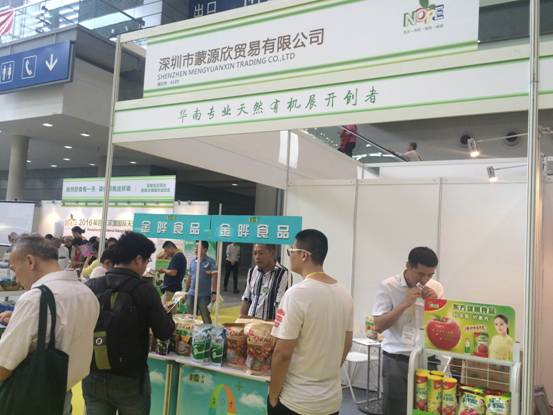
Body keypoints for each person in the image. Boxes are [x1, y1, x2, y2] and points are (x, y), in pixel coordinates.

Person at [0, 234, 99, 415]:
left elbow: (4, 366)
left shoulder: (35, 299)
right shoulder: (87, 294)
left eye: (14, 270)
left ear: (30, 262)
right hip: (62, 396)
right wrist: (18, 318)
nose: (16, 278)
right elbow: (62, 329)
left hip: (28, 398)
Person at [84, 231, 175, 415]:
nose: (146, 265)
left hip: (92, 373)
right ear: (138, 259)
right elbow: (164, 332)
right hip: (130, 378)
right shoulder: (145, 290)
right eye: (147, 260)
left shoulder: (92, 286)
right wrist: (168, 315)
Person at [269, 229, 353, 415]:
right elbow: (347, 344)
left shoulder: (296, 294)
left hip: (297, 401)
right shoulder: (344, 294)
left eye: (291, 251)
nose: (289, 256)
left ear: (304, 255)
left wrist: (273, 395)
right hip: (331, 401)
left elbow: (282, 353)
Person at [373, 247, 444, 415]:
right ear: (408, 266)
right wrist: (404, 303)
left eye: (430, 275)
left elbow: (442, 326)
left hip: (428, 358)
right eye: (420, 274)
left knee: (428, 409)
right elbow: (379, 326)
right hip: (397, 358)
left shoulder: (436, 288)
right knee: (395, 409)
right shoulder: (388, 286)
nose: (425, 280)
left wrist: (435, 305)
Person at [240, 244, 289, 321]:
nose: (257, 257)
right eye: (255, 253)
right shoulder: (252, 271)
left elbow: (280, 306)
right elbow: (247, 299)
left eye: (261, 253)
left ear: (272, 253)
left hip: (269, 325)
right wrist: (240, 321)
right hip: (250, 324)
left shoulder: (283, 274)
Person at [185, 241, 217, 324]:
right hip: (191, 294)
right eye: (195, 247)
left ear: (205, 249)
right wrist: (185, 292)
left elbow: (215, 277)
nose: (195, 249)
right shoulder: (192, 262)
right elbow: (189, 277)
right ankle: (192, 332)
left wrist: (214, 293)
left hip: (204, 295)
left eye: (198, 247)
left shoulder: (211, 262)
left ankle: (209, 330)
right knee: (190, 317)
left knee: (205, 316)